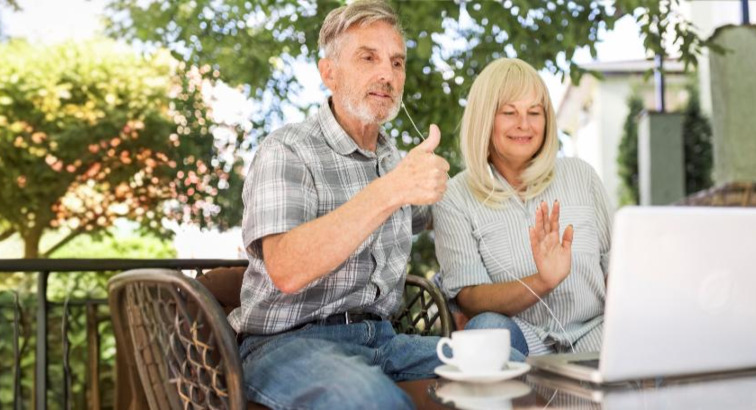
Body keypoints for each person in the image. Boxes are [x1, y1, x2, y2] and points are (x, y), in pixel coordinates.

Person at [228, 2, 518, 408]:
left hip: (383, 341)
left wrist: (508, 163)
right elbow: (286, 270)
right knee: (373, 400)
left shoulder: (393, 160)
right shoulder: (287, 150)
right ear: (328, 72)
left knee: (511, 367)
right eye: (368, 57)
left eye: (397, 63)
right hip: (285, 346)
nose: (387, 74)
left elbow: (455, 212)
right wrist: (391, 190)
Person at [433, 58, 613, 356]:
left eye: (534, 112)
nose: (524, 125)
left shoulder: (581, 176)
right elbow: (469, 299)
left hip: (595, 333)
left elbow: (615, 266)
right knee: (486, 327)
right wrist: (542, 282)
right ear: (484, 119)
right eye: (509, 113)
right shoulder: (455, 197)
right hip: (523, 343)